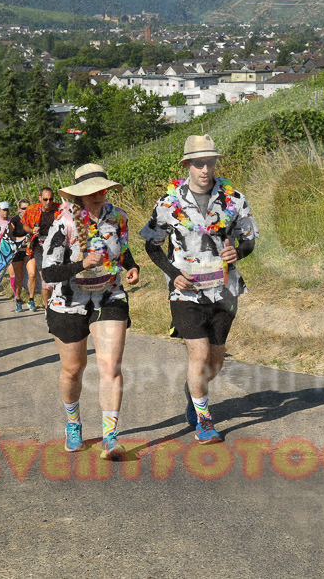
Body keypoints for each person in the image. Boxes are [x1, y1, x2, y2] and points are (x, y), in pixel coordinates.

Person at [141, 135, 258, 444]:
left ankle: (193, 393)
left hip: (224, 290)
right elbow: (150, 246)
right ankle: (204, 422)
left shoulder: (234, 199)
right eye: (199, 163)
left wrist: (240, 252)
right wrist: (172, 273)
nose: (205, 169)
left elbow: (249, 238)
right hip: (186, 291)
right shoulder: (169, 203)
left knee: (215, 360)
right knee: (200, 352)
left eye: (210, 162)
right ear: (187, 165)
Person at [41, 164, 139, 460]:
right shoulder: (64, 223)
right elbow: (48, 272)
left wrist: (131, 267)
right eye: (90, 191)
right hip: (68, 302)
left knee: (111, 367)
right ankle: (73, 423)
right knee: (73, 370)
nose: (98, 195)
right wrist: (81, 264)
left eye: (101, 189)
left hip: (109, 296)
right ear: (79, 195)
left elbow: (121, 250)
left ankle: (110, 437)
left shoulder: (118, 217)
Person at [20, 188, 59, 310]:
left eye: (51, 199)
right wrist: (32, 230)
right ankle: (48, 308)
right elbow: (24, 224)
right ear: (40, 198)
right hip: (39, 245)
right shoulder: (32, 210)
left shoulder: (60, 209)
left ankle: (56, 304)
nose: (48, 202)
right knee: (45, 278)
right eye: (45, 199)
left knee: (57, 276)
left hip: (56, 245)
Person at [7, 200, 33, 311]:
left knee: (32, 274)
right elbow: (9, 236)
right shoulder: (15, 220)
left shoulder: (33, 218)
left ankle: (31, 300)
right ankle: (18, 299)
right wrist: (21, 239)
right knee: (19, 277)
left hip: (29, 250)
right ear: (19, 209)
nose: (26, 210)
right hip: (18, 251)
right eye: (23, 208)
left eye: (28, 207)